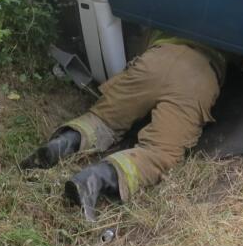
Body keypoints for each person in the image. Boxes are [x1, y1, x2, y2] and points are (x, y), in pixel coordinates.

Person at [21, 32, 227, 221]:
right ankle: (95, 179)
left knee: (102, 120)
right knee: (160, 153)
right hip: (197, 73)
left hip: (156, 58)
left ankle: (61, 144)